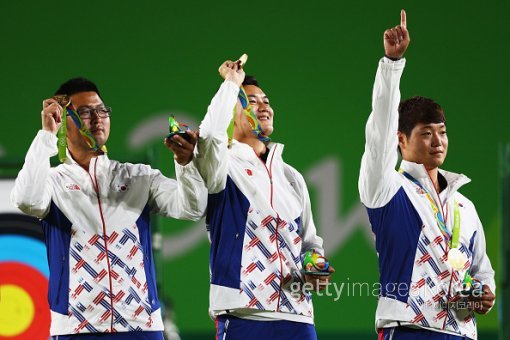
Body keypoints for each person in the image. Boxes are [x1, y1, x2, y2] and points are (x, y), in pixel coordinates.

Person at [10, 77, 207, 339]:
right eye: (84, 112)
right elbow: (27, 200)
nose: (97, 118)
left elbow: (192, 208)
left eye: (102, 110)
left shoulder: (138, 177)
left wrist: (186, 165)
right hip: (76, 329)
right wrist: (46, 135)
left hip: (142, 327)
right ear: (61, 121)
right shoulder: (53, 183)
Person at [358, 10, 496, 340]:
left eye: (443, 132)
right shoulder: (387, 188)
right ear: (401, 139)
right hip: (409, 329)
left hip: (462, 331)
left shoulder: (465, 206)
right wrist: (392, 65)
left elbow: (483, 270)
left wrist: (485, 293)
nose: (438, 141)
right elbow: (379, 129)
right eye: (426, 133)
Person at [194, 59, 333, 340]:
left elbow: (309, 242)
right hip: (243, 313)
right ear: (231, 113)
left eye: (266, 101)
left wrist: (315, 265)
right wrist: (231, 83)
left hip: (298, 316)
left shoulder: (291, 176)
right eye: (251, 102)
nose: (264, 107)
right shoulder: (222, 166)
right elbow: (209, 135)